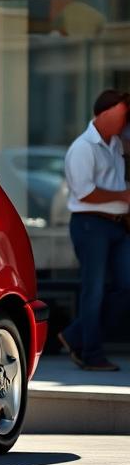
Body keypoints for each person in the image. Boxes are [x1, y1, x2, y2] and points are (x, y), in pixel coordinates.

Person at [58, 89, 130, 372]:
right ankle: (91, 354)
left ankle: (75, 335)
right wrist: (123, 196)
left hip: (116, 227)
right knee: (94, 291)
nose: (124, 122)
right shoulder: (82, 148)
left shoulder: (114, 144)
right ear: (104, 113)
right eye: (122, 115)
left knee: (126, 287)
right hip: (90, 226)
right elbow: (84, 192)